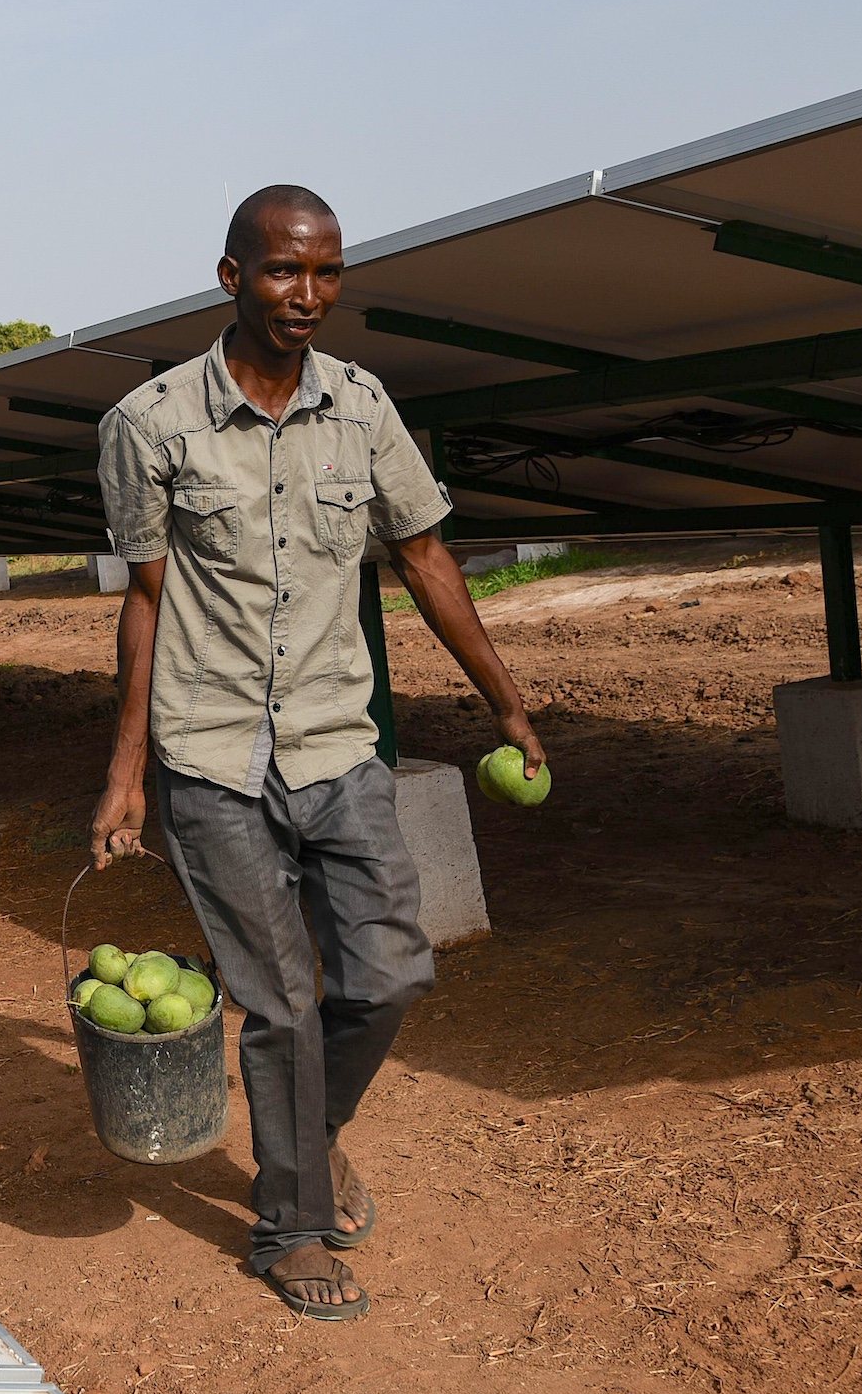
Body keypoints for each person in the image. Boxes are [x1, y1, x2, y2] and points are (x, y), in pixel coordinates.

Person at [90, 184, 545, 1321]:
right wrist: (123, 773)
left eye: (328, 271)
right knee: (282, 999)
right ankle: (287, 1223)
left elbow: (426, 555)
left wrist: (506, 702)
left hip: (340, 741)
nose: (309, 294)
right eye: (286, 270)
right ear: (232, 276)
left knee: (390, 964)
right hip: (210, 752)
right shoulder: (150, 424)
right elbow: (143, 602)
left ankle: (314, 1128)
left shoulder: (362, 405)